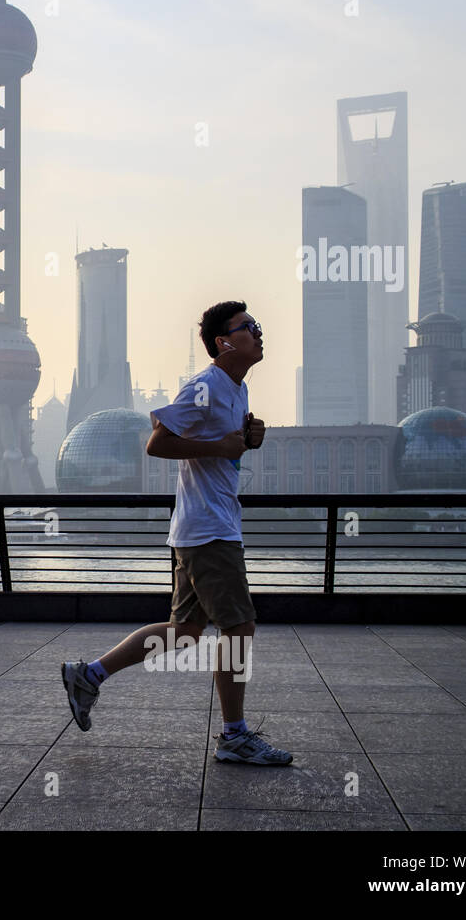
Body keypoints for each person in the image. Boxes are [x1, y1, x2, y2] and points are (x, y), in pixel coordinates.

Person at [61, 301, 293, 765]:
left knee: (185, 630)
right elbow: (157, 440)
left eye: (258, 326)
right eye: (249, 328)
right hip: (209, 531)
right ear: (224, 342)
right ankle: (234, 735)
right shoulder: (206, 385)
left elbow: (207, 440)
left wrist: (246, 438)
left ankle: (89, 675)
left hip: (205, 526)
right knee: (238, 626)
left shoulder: (235, 388)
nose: (258, 333)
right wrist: (219, 445)